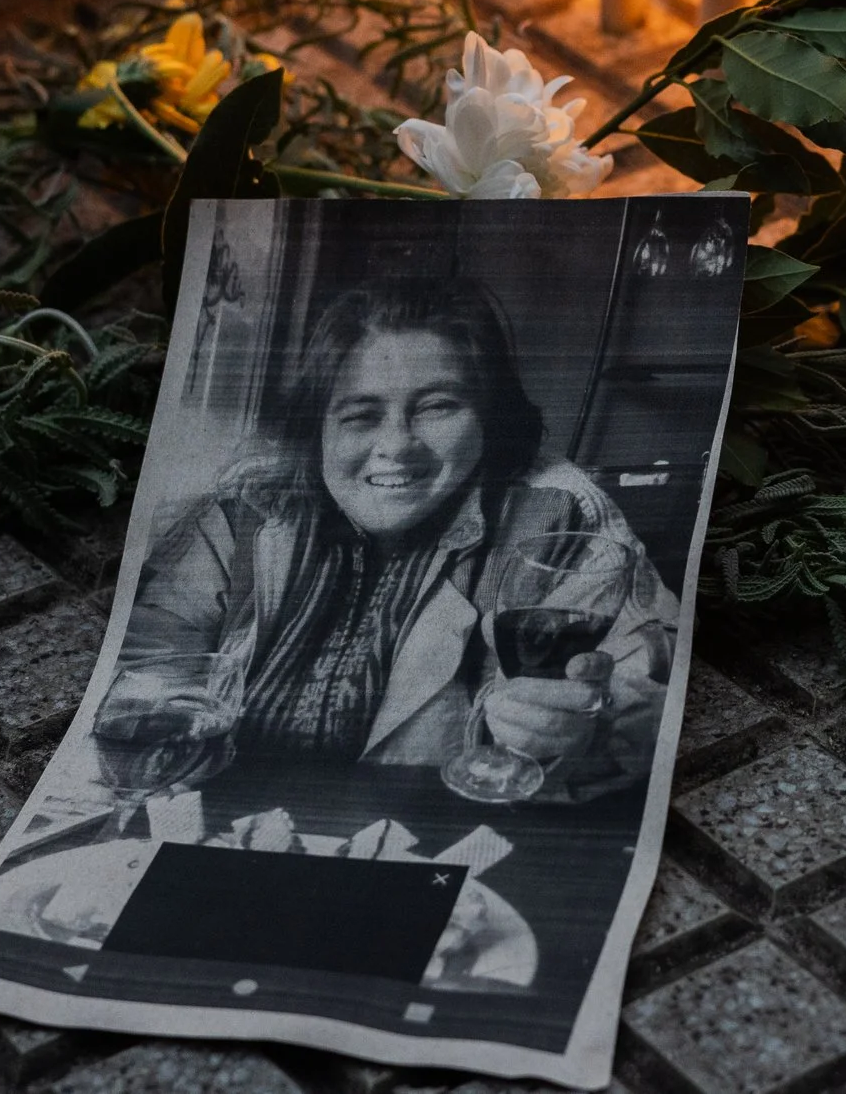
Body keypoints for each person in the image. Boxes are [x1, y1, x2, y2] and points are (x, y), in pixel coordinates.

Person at [105, 276, 673, 803]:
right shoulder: (252, 503)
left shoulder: (555, 512)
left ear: (490, 416)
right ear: (319, 425)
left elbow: (643, 678)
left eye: (437, 407)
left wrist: (585, 725)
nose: (396, 446)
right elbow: (144, 662)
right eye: (360, 414)